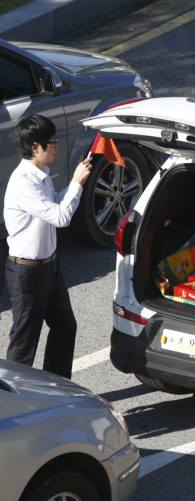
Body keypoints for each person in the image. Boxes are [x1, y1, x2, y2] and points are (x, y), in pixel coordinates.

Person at [4, 114, 93, 379]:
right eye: (52, 143)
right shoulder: (23, 182)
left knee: (65, 326)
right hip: (27, 273)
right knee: (23, 346)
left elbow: (54, 203)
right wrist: (76, 184)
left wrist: (77, 184)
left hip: (49, 266)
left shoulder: (41, 174)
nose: (57, 146)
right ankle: (13, 405)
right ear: (35, 146)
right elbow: (60, 217)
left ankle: (58, 389)